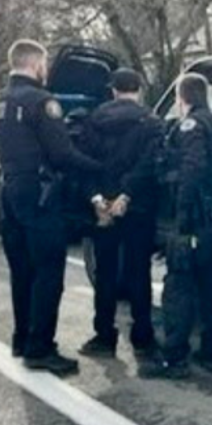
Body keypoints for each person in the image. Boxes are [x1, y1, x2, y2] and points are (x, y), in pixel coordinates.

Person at [0, 39, 102, 376]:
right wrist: (99, 168)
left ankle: (22, 339)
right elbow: (62, 155)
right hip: (39, 195)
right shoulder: (42, 101)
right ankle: (40, 348)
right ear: (36, 64)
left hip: (9, 192)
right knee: (49, 272)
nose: (47, 69)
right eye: (45, 63)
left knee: (21, 271)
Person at [144, 73, 212, 379]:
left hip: (197, 219)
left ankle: (174, 358)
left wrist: (181, 217)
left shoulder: (191, 126)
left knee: (179, 286)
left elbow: (193, 168)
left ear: (182, 98)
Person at [77, 68, 163, 359]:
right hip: (138, 207)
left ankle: (104, 336)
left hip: (103, 209)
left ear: (113, 90)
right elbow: (150, 164)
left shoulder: (94, 120)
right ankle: (142, 335)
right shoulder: (151, 122)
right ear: (139, 89)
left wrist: (97, 199)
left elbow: (85, 163)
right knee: (139, 271)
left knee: (105, 272)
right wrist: (127, 195)